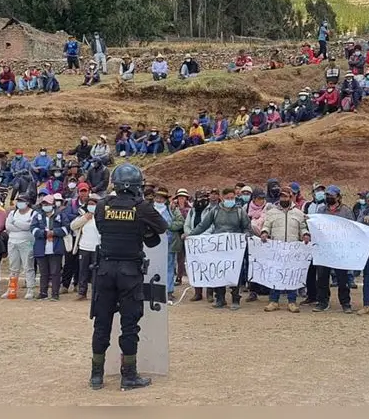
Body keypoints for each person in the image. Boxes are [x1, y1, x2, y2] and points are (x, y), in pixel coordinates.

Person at [89, 163, 167, 391]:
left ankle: (96, 376)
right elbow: (162, 227)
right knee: (129, 324)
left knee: (101, 324)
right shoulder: (142, 207)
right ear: (135, 186)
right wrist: (143, 230)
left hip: (104, 271)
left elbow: (102, 227)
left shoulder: (102, 205)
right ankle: (129, 375)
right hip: (129, 273)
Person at [186, 187, 252, 309]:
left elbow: (247, 227)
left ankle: (235, 299)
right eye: (228, 198)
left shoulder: (240, 211)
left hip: (235, 249)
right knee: (219, 272)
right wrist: (190, 235)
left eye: (232, 198)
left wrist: (246, 236)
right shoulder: (215, 211)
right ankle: (220, 298)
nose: (230, 200)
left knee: (235, 273)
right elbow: (203, 225)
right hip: (219, 248)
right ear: (223, 198)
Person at [259, 187, 308, 312]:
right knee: (275, 274)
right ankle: (274, 301)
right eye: (281, 196)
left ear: (291, 197)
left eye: (286, 196)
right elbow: (266, 225)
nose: (283, 199)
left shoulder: (298, 213)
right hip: (277, 249)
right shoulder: (272, 212)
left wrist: (305, 234)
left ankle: (292, 302)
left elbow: (302, 227)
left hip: (292, 249)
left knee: (291, 275)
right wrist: (264, 233)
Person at [313, 185, 355, 313]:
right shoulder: (320, 211)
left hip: (340, 250)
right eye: (327, 195)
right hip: (324, 250)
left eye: (331, 195)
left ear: (338, 197)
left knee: (342, 279)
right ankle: (322, 302)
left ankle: (345, 303)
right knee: (322, 277)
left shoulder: (346, 211)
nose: (328, 197)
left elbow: (352, 228)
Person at [33, 195, 68, 300]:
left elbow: (66, 229)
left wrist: (53, 233)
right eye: (44, 204)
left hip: (56, 248)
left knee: (55, 272)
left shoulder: (61, 215)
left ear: (53, 204)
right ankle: (43, 292)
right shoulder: (37, 216)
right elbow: (33, 229)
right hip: (41, 248)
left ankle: (55, 294)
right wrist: (45, 233)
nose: (45, 206)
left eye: (47, 204)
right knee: (43, 272)